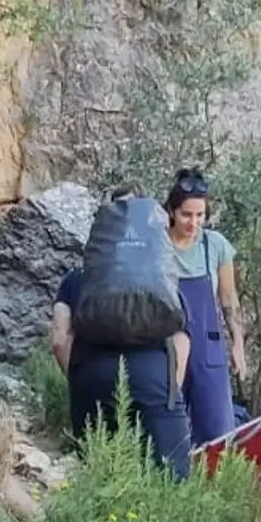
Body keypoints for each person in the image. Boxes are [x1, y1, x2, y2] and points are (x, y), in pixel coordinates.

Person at [50, 188, 193, 479]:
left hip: (92, 378)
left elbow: (59, 339)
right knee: (172, 482)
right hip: (153, 380)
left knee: (99, 477)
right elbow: (181, 340)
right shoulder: (161, 279)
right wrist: (170, 390)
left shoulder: (78, 280)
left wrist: (78, 380)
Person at [163, 169, 247, 447]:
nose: (194, 222)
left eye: (200, 215)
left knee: (217, 430)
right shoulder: (158, 245)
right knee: (170, 425)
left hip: (209, 348)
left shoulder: (216, 245)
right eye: (187, 215)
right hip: (166, 345)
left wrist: (238, 344)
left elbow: (228, 299)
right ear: (172, 211)